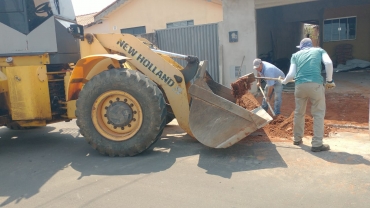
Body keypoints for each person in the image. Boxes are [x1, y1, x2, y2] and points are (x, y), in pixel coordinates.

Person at [281, 38, 335, 152]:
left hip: (300, 86)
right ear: (311, 45)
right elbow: (328, 63)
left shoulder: (295, 55)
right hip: (315, 84)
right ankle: (317, 144)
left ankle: (297, 139)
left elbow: (291, 74)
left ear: (301, 47)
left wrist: (284, 81)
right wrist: (329, 81)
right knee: (318, 114)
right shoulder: (319, 51)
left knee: (299, 113)